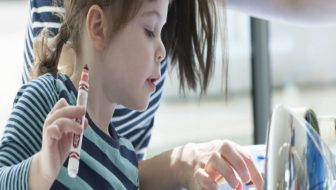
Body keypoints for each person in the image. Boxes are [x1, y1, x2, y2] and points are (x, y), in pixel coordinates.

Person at [0, 0, 264, 190]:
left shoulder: (126, 159)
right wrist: (41, 170)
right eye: (150, 30)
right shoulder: (47, 98)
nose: (162, 50)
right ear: (98, 27)